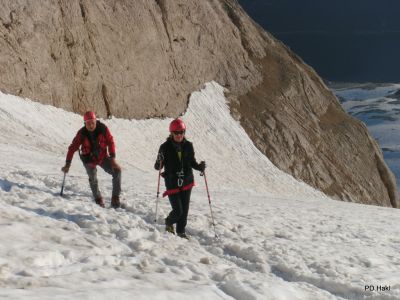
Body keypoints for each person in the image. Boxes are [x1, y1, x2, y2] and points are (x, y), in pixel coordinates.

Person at [154, 118, 205, 239]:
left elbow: (192, 162)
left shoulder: (188, 146)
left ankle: (181, 231)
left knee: (185, 210)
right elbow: (157, 167)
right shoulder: (164, 147)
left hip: (187, 181)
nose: (179, 135)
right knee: (178, 211)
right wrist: (159, 160)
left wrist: (200, 167)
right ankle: (169, 222)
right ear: (171, 133)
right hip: (172, 183)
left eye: (181, 132)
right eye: (176, 133)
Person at [61, 111, 122, 208]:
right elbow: (72, 148)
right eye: (88, 123)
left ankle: (115, 198)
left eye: (92, 122)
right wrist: (67, 164)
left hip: (102, 157)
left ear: (96, 121)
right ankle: (98, 199)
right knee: (93, 178)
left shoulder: (103, 128)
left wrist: (112, 159)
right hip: (88, 159)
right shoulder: (81, 133)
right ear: (84, 123)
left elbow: (110, 142)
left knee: (117, 171)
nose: (91, 125)